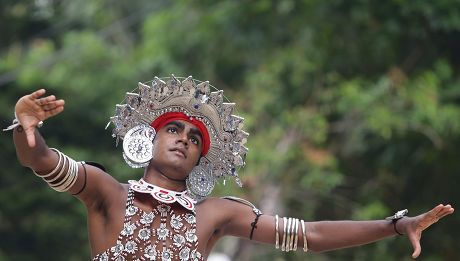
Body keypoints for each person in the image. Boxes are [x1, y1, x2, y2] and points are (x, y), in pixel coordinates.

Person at [6, 75, 454, 260]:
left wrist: (396, 225)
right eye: (174, 130)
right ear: (149, 138)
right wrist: (25, 127)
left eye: (195, 138)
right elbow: (39, 159)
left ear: (203, 158)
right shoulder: (107, 192)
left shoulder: (216, 214)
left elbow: (312, 235)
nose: (184, 138)